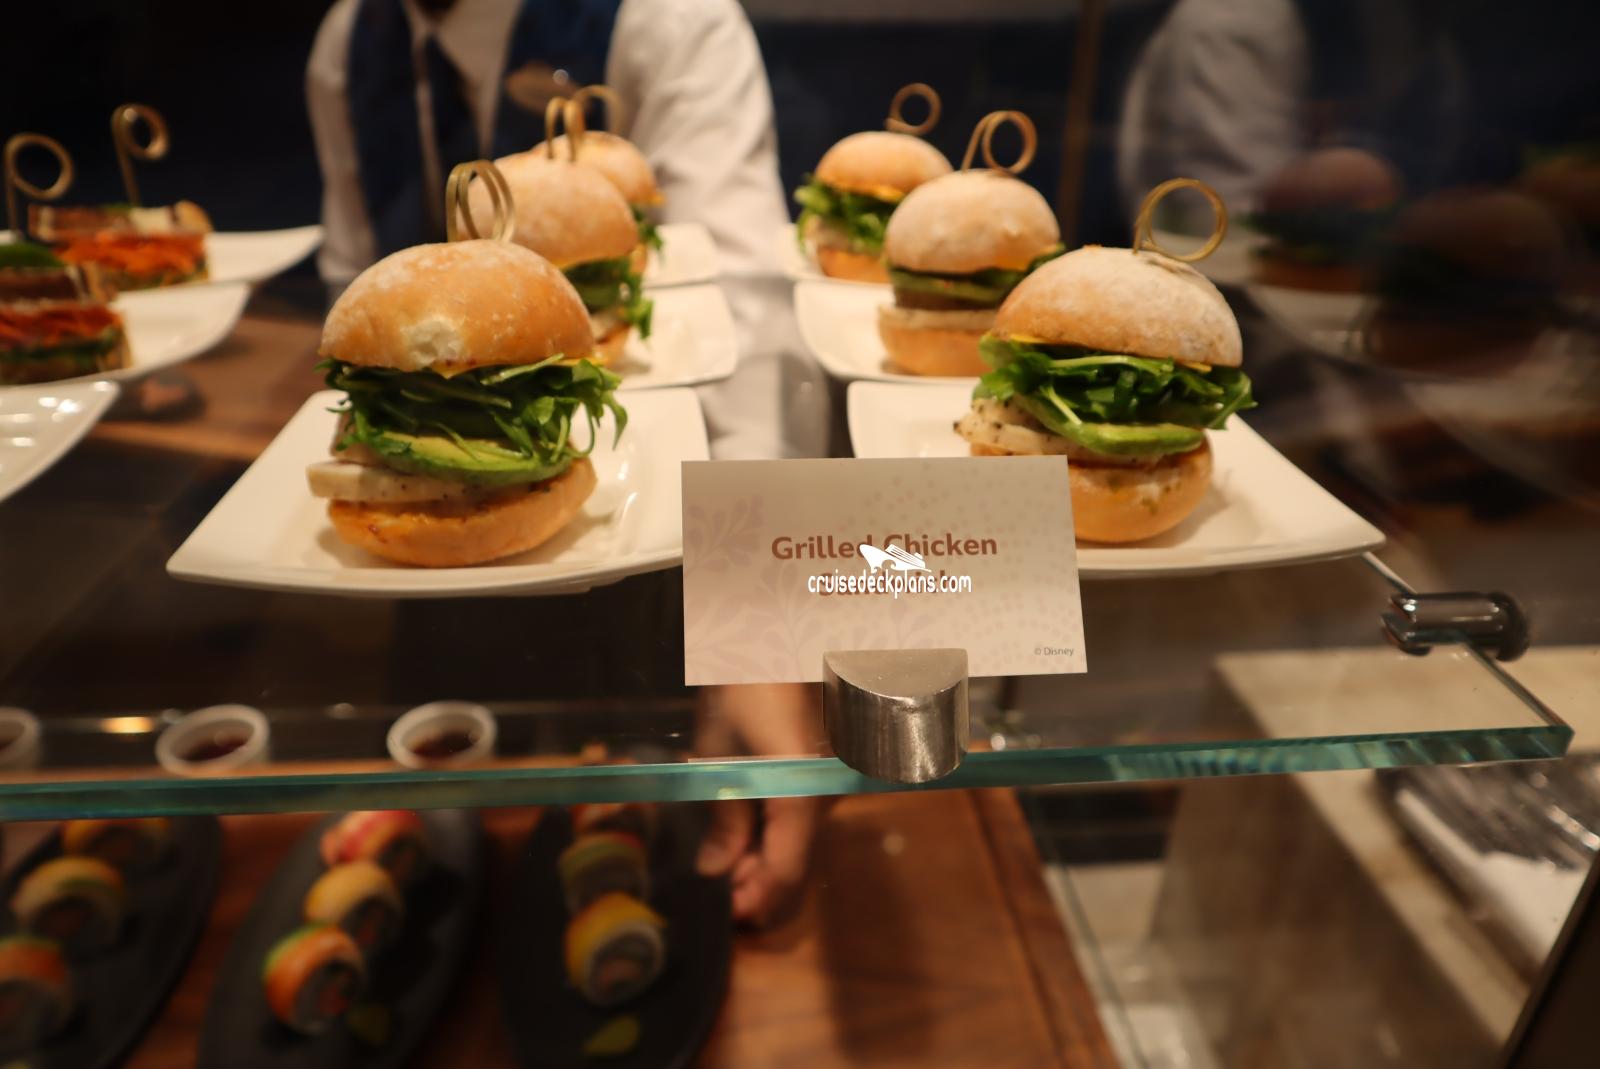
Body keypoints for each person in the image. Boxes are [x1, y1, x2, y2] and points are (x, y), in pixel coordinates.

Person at [307, 0, 828, 927]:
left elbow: (746, 328)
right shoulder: (349, 42)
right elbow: (350, 268)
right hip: (422, 591)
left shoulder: (670, 20)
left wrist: (755, 619)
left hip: (653, 560)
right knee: (454, 893)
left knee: (647, 867)